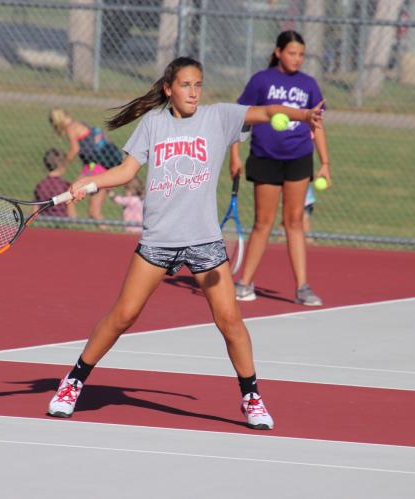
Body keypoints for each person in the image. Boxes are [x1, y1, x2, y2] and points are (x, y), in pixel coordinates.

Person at [45, 56, 323, 430]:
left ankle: (251, 396)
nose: (193, 92)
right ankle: (72, 382)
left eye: (198, 85)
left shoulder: (218, 118)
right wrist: (88, 184)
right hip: (159, 241)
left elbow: (268, 110)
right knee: (123, 316)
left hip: (204, 242)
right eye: (186, 85)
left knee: (230, 321)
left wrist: (303, 116)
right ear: (168, 89)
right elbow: (127, 171)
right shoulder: (153, 124)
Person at [229, 30, 332, 306]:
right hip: (265, 157)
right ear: (278, 52)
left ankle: (302, 287)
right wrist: (235, 156)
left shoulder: (309, 85)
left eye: (301, 54)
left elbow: (317, 125)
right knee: (263, 222)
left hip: (299, 157)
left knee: (295, 222)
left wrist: (325, 163)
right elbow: (240, 119)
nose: (297, 59)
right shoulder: (261, 81)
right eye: (291, 53)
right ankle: (244, 282)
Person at [48, 108, 124, 223]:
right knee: (93, 212)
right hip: (102, 166)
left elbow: (75, 149)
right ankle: (78, 224)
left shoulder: (70, 129)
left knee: (72, 194)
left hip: (97, 167)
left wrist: (62, 167)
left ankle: (72, 223)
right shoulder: (80, 123)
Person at [32, 148, 76, 218]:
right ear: (62, 165)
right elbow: (71, 213)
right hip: (63, 223)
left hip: (43, 222)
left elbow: (34, 211)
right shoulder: (66, 186)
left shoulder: (40, 185)